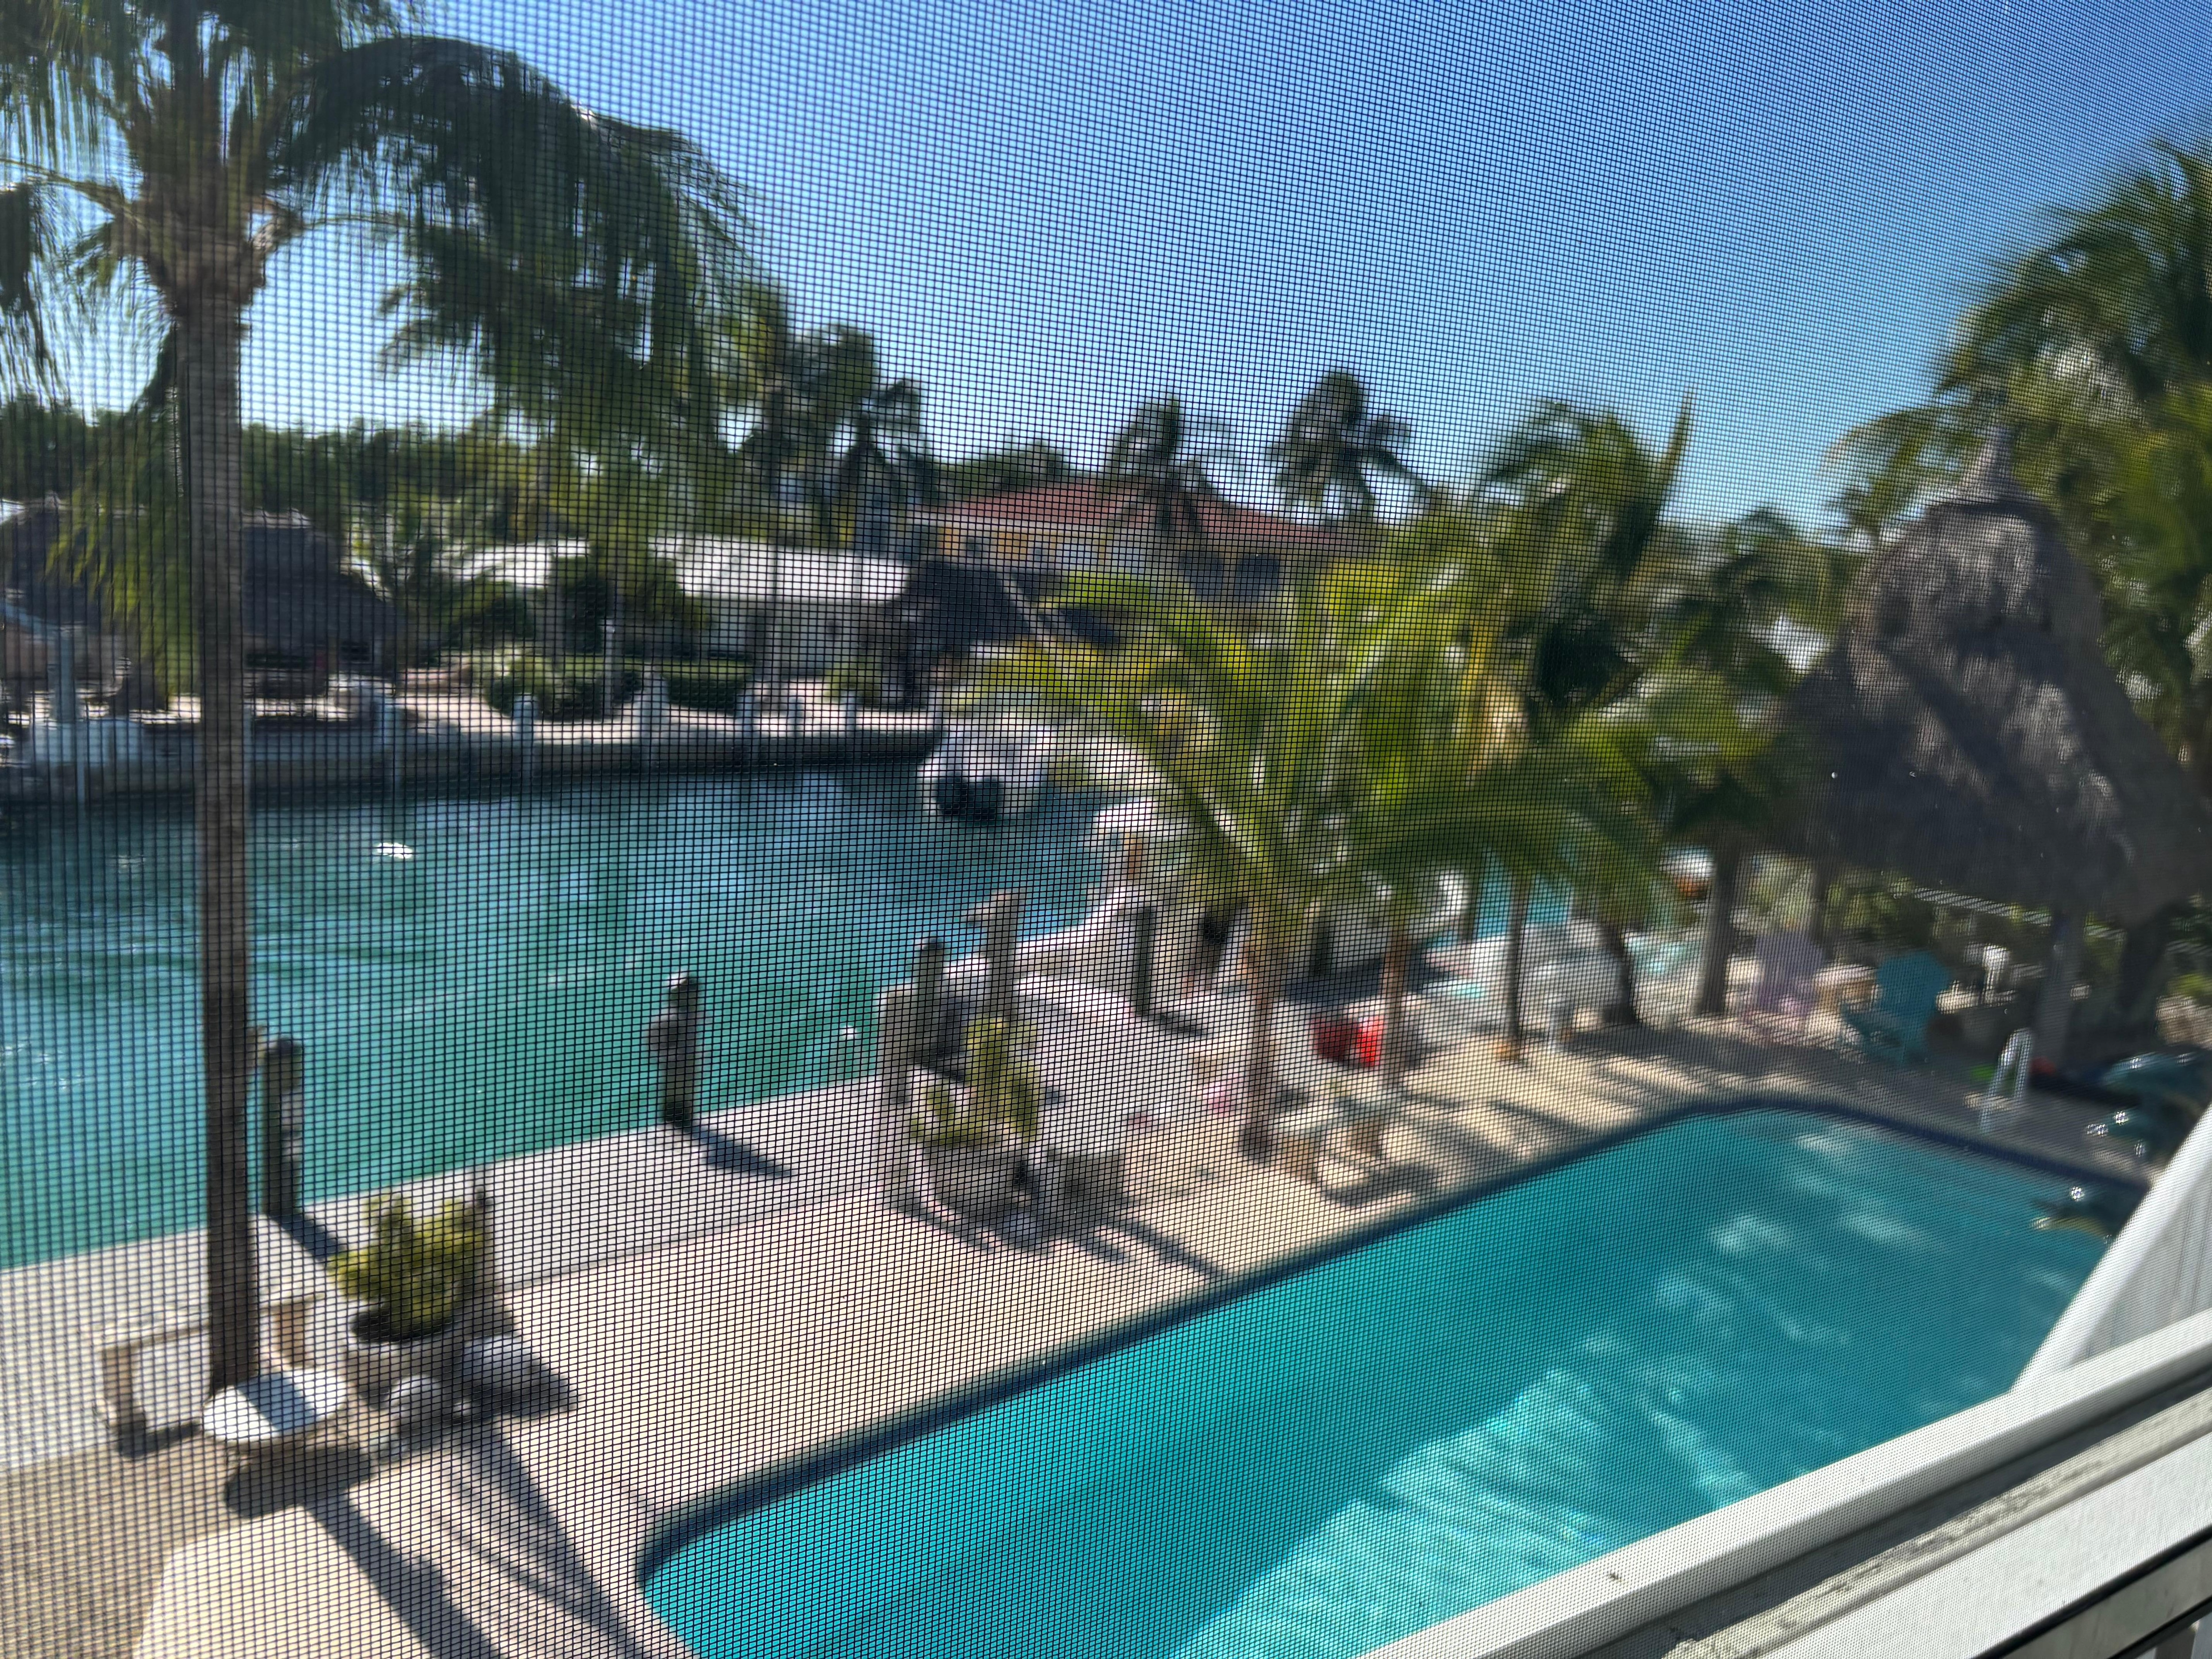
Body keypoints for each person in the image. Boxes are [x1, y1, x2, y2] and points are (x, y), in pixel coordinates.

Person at [645, 972, 703, 1130]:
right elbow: (653, 1042)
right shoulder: (669, 1018)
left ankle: (683, 1127)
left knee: (685, 1101)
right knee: (674, 1102)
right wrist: (672, 1058)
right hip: (675, 1068)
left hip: (689, 1066)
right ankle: (672, 1130)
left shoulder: (692, 1015)